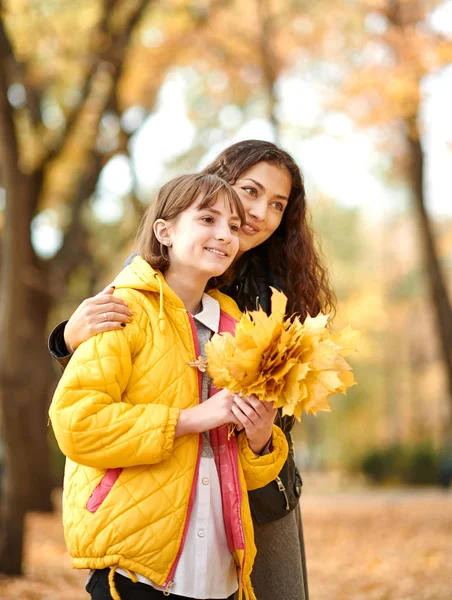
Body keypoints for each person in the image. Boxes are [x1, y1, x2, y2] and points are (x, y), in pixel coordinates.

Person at [49, 140, 336, 600]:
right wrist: (65, 338)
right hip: (159, 498)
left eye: (278, 204)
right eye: (250, 191)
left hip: (251, 479)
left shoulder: (277, 287)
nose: (259, 212)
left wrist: (263, 440)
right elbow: (109, 369)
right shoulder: (150, 284)